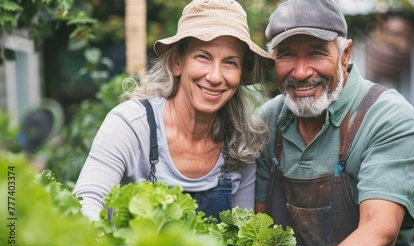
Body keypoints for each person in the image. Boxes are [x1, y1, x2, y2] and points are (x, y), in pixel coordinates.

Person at [255, 0, 414, 246]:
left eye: (316, 53)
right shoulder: (268, 121)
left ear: (345, 53)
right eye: (287, 55)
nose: (301, 72)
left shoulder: (389, 119)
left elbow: (379, 238)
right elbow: (256, 226)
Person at [73, 0, 273, 222]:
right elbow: (87, 200)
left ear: (240, 73)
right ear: (177, 62)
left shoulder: (241, 142)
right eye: (203, 57)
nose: (215, 77)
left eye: (230, 62)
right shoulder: (132, 124)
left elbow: (242, 233)